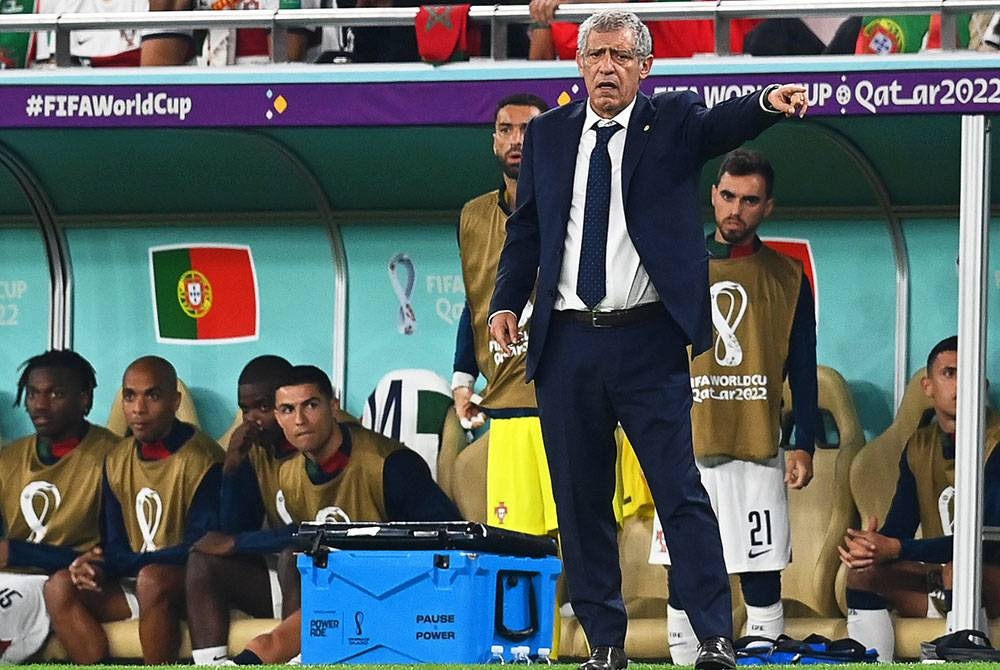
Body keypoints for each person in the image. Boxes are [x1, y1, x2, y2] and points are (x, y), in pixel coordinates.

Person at [488, 9, 808, 670]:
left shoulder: (675, 122)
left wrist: (768, 103)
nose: (607, 66)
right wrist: (503, 303)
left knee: (678, 492)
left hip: (647, 342)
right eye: (596, 54)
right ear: (578, 65)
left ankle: (716, 634)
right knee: (580, 503)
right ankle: (606, 644)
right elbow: (526, 232)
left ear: (645, 67)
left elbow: (727, 124)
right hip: (566, 342)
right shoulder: (548, 136)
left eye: (621, 56)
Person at [647, 149, 818, 663]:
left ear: (768, 206)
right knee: (684, 571)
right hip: (686, 448)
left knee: (762, 572)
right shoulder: (676, 268)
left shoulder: (789, 278)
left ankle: (765, 654)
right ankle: (685, 660)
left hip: (758, 447)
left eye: (749, 200)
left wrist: (804, 442)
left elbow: (804, 369)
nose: (735, 209)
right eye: (727, 196)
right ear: (713, 195)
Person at [226, 365, 462, 665]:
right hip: (342, 595)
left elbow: (450, 538)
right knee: (265, 645)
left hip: (404, 595)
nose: (299, 420)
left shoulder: (390, 465)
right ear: (277, 416)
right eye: (287, 410)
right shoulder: (289, 475)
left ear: (333, 405)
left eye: (310, 405)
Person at [43, 355, 223, 664]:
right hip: (136, 576)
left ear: (175, 401)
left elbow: (199, 550)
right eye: (130, 396)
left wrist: (125, 564)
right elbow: (114, 543)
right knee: (60, 585)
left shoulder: (204, 458)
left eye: (152, 395)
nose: (138, 409)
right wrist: (95, 564)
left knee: (152, 579)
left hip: (189, 584)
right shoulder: (116, 458)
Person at [839, 336, 1000, 661]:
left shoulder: (996, 443)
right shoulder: (919, 445)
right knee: (862, 575)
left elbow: (990, 540)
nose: (960, 384)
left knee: (960, 570)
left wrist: (898, 548)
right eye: (950, 373)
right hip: (943, 576)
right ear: (928, 386)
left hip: (991, 576)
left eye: (969, 375)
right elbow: (899, 527)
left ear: (982, 386)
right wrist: (872, 546)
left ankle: (963, 662)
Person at [452, 92, 559, 536]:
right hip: (508, 404)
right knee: (519, 540)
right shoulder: (473, 215)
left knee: (582, 538)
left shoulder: (577, 206)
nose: (517, 140)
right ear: (493, 140)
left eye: (529, 129)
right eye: (506, 129)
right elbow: (475, 301)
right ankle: (540, 612)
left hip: (565, 398)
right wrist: (462, 381)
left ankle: (578, 609)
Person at [0, 350, 120, 663]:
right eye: (33, 394)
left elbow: (118, 552)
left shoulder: (114, 457)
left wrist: (18, 552)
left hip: (66, 581)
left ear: (84, 399)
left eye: (56, 394)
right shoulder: (8, 459)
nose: (40, 405)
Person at [186, 355, 299, 666]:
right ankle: (211, 663)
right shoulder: (257, 453)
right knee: (202, 560)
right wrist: (232, 468)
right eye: (245, 409)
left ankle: (297, 659)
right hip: (279, 577)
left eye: (263, 407)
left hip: (318, 579)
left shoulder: (313, 444)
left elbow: (314, 533)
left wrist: (239, 544)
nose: (252, 420)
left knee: (296, 554)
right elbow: (232, 530)